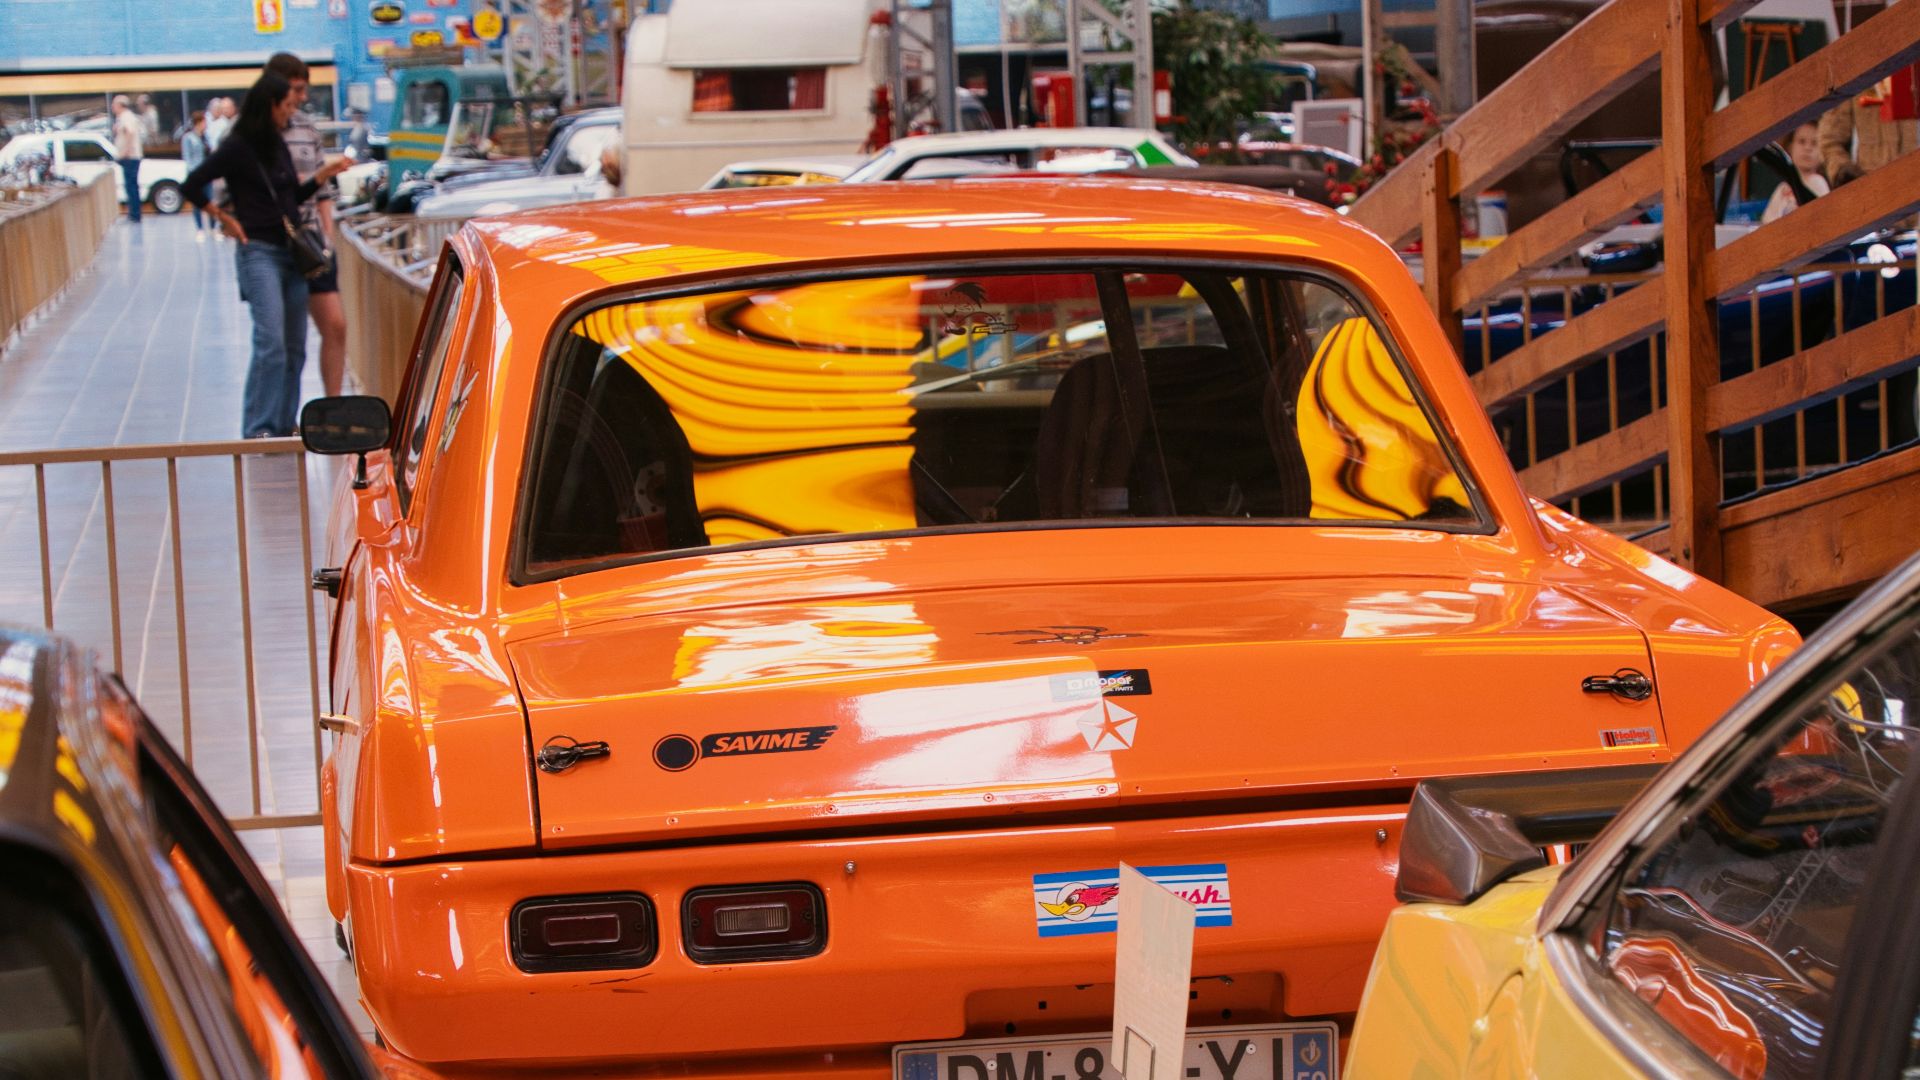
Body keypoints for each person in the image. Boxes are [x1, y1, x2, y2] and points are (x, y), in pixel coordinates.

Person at [182, 73, 350, 438]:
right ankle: (258, 427)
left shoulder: (277, 144)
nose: (290, 114)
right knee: (271, 341)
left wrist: (321, 176)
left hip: (292, 254)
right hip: (259, 252)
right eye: (287, 106)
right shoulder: (239, 145)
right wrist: (224, 218)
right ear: (270, 104)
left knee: (294, 346)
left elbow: (290, 197)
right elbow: (192, 184)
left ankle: (283, 423)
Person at [265, 53, 349, 398]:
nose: (302, 97)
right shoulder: (255, 132)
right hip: (275, 242)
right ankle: (280, 416)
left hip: (312, 242)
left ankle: (332, 406)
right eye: (296, 89)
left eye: (304, 89)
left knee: (335, 325)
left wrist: (327, 236)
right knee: (283, 338)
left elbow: (323, 191)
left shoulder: (306, 129)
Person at [1762, 122, 1830, 224]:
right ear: (1790, 147)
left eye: (1814, 143)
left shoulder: (1817, 182)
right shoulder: (1783, 187)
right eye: (1802, 141)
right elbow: (1766, 221)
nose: (1808, 148)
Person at [110, 95, 144, 223]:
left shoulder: (127, 117)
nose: (113, 107)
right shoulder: (121, 118)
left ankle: (135, 214)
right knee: (129, 185)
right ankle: (133, 212)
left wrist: (126, 151)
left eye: (114, 105)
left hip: (130, 157)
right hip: (128, 156)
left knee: (131, 185)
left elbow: (130, 133)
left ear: (120, 105)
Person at [180, 111, 211, 237]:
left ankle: (213, 227)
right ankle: (200, 228)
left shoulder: (205, 137)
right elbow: (187, 157)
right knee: (197, 202)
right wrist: (194, 173)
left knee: (210, 200)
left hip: (207, 173)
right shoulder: (188, 138)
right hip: (196, 173)